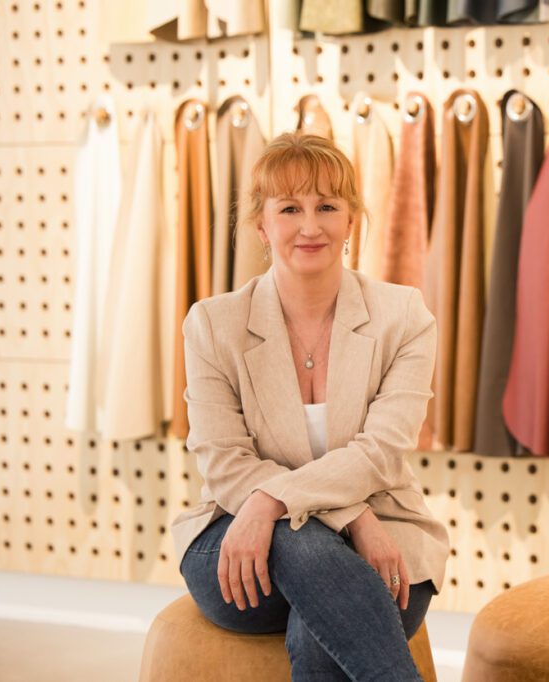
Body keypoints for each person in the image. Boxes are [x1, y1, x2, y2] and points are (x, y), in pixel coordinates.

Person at [169, 132, 450, 681]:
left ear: (351, 220)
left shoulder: (404, 317)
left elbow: (381, 453)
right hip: (238, 542)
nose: (310, 226)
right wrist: (350, 514)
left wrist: (273, 501)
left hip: (386, 537)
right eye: (290, 208)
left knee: (319, 622)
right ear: (261, 224)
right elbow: (224, 461)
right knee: (310, 553)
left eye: (327, 206)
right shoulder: (212, 323)